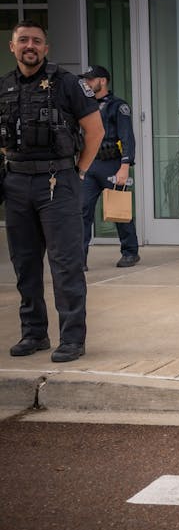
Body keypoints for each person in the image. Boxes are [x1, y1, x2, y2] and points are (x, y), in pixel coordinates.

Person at [1, 20, 103, 363]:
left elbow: (95, 130)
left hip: (57, 181)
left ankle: (72, 339)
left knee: (65, 264)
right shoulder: (4, 86)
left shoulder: (67, 83)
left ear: (46, 48)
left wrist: (80, 171)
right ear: (12, 47)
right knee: (25, 264)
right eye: (23, 40)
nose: (30, 45)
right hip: (15, 183)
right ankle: (34, 333)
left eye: (37, 41)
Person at [79, 65, 139, 270]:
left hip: (112, 164)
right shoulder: (84, 106)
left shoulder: (117, 106)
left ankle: (130, 252)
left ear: (102, 81)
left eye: (90, 80)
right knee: (82, 211)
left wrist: (125, 166)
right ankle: (79, 259)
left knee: (119, 210)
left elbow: (127, 137)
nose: (87, 83)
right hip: (89, 165)